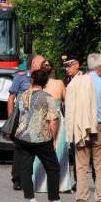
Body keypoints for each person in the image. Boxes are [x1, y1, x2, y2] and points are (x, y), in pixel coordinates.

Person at [13, 69, 70, 202]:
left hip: (23, 137)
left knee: (26, 168)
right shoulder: (48, 97)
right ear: (45, 82)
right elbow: (53, 119)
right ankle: (54, 199)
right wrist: (54, 138)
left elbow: (19, 113)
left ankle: (30, 200)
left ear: (32, 80)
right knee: (52, 167)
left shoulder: (22, 96)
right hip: (41, 138)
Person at [68, 53, 101, 202]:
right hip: (100, 128)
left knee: (81, 167)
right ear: (100, 68)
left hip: (81, 128)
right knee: (100, 166)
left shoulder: (76, 83)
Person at [33, 59, 73, 193]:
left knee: (40, 150)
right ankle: (61, 184)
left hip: (41, 118)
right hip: (57, 118)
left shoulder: (38, 85)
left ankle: (39, 183)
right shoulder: (59, 83)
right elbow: (65, 101)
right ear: (53, 69)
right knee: (59, 150)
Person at [8, 54, 44, 190]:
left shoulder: (45, 79)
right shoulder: (21, 76)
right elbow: (11, 97)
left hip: (38, 118)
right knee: (20, 149)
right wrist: (11, 118)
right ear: (34, 64)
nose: (44, 65)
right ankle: (17, 179)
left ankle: (34, 178)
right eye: (41, 63)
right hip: (22, 118)